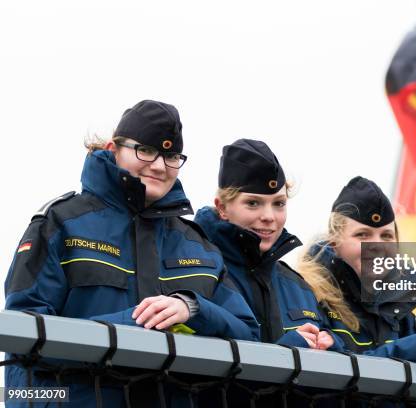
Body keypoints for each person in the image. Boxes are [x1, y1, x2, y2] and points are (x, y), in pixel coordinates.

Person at [4, 100, 259, 407]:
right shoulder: (61, 224)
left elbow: (249, 337)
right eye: (146, 150)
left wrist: (193, 308)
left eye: (171, 155)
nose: (159, 165)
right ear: (114, 149)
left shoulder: (198, 245)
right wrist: (136, 325)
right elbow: (23, 336)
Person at [297, 176, 416, 367]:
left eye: (386, 236)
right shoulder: (306, 293)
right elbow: (336, 373)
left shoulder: (398, 307)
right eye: (363, 235)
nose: (377, 246)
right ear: (335, 244)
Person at [194, 139, 342, 350]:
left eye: (279, 204)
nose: (269, 216)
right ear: (222, 208)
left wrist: (333, 347)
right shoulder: (198, 269)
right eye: (253, 203)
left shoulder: (298, 287)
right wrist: (283, 353)